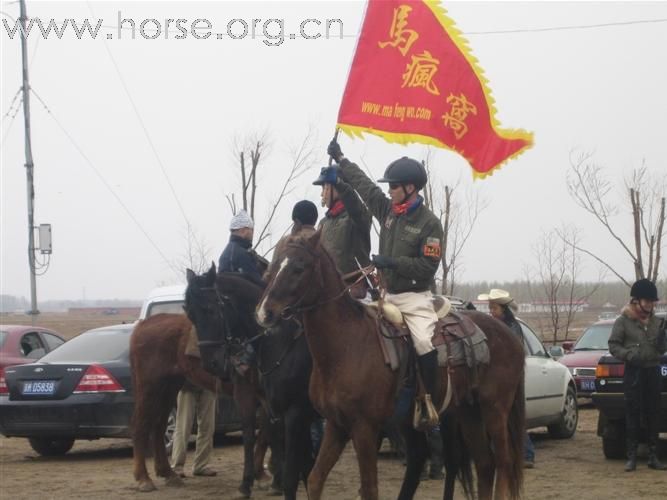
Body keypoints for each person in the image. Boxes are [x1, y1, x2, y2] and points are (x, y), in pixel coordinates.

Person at [327, 140, 443, 428]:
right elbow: (365, 187)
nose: (389, 190)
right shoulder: (388, 211)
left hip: (415, 298)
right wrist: (341, 159)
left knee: (424, 342)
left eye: (393, 186)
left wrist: (392, 263)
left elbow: (428, 267)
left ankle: (428, 402)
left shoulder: (430, 223)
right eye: (389, 186)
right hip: (386, 296)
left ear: (410, 188)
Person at [608, 278, 667, 472]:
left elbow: (663, 348)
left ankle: (653, 456)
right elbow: (614, 345)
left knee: (653, 413)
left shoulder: (658, 322)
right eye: (647, 301)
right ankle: (631, 456)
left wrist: (661, 344)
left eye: (652, 301)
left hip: (652, 370)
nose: (650, 304)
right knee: (632, 413)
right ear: (636, 301)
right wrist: (629, 355)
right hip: (633, 371)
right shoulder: (623, 321)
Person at [478, 288, 535, 468]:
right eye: (490, 308)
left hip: (510, 375)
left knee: (512, 413)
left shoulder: (511, 328)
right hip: (502, 375)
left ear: (503, 309)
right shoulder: (499, 326)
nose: (491, 312)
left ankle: (526, 454)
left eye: (494, 308)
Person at [312, 165, 372, 297]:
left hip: (358, 290)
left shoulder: (358, 217)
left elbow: (355, 206)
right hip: (330, 292)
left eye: (325, 188)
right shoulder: (323, 223)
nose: (322, 194)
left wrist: (339, 184)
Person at [171, 380, 217, 478]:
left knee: (208, 426)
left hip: (208, 385)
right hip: (187, 385)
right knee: (183, 426)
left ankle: (202, 465)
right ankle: (177, 465)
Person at [219, 210, 265, 287]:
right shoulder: (241, 254)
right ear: (243, 231)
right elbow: (257, 284)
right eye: (251, 230)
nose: (252, 233)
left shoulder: (229, 252)